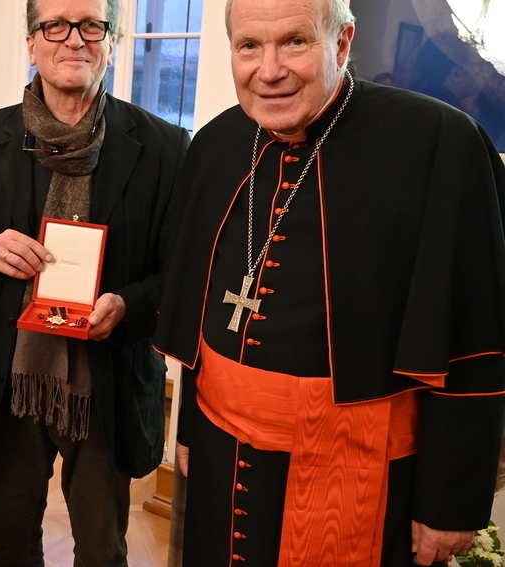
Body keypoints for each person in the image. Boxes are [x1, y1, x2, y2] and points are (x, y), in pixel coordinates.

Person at [153, 0, 505, 566]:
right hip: (222, 449)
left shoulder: (439, 143)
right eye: (249, 46)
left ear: (341, 42)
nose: (269, 71)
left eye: (295, 42)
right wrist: (190, 431)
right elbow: (200, 311)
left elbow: (472, 342)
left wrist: (450, 503)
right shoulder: (218, 143)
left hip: (360, 467)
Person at [0, 0, 189, 563]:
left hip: (107, 379)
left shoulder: (166, 148)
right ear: (31, 42)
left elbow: (182, 270)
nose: (74, 39)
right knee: (7, 545)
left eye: (92, 25)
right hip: (9, 377)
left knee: (101, 550)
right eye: (55, 25)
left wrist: (128, 305)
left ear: (112, 42)